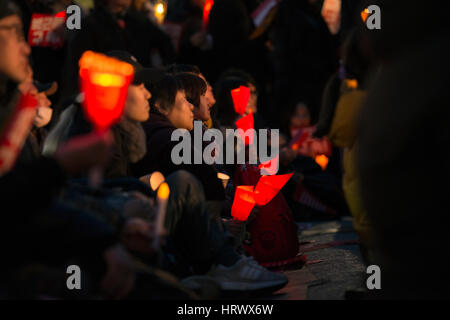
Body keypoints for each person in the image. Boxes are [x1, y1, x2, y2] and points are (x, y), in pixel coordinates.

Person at [60, 0, 175, 102]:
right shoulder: (90, 24)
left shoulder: (139, 21)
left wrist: (163, 70)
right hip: (107, 92)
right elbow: (77, 63)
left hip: (139, 87)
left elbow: (165, 43)